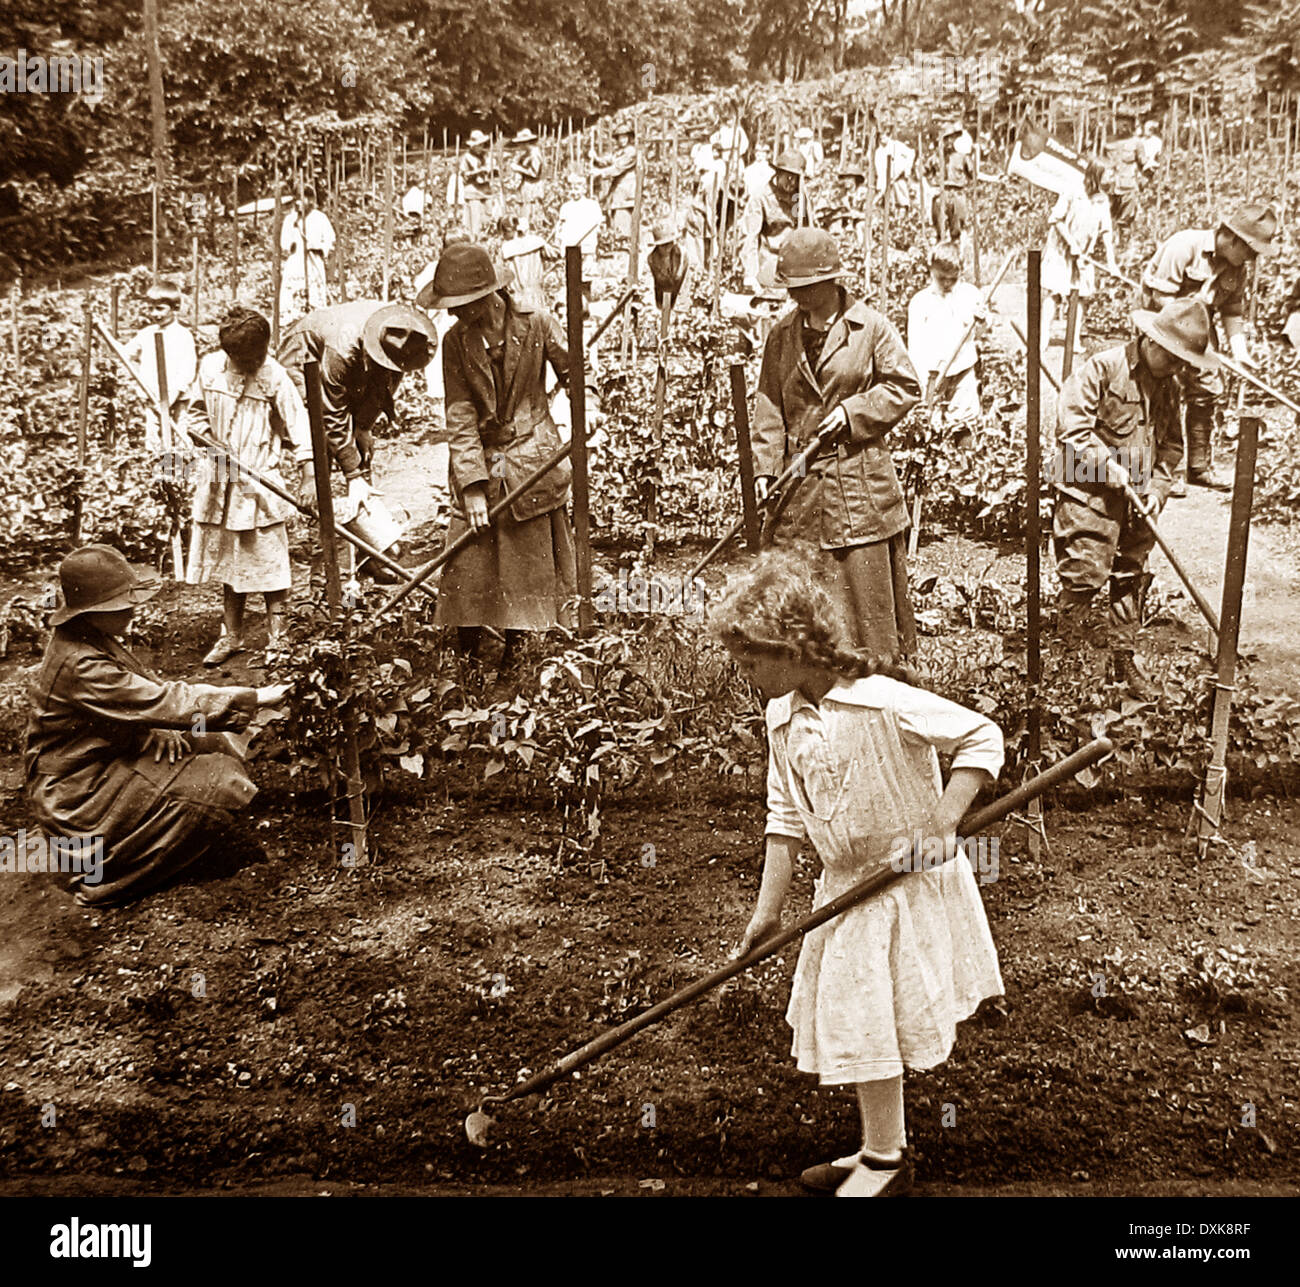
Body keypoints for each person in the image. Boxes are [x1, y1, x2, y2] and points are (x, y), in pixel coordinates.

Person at [718, 548, 1004, 1199]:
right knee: (858, 1014)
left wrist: (943, 817)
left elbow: (983, 737)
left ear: (791, 646)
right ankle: (883, 1151)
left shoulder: (882, 702)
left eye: (750, 659)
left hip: (902, 886)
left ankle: (885, 1161)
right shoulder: (781, 715)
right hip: (845, 887)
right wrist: (768, 910)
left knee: (878, 1015)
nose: (744, 672)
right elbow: (785, 813)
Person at [25, 544, 289, 909]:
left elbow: (136, 699)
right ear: (90, 611)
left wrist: (154, 728)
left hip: (103, 758)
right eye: (120, 603)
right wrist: (257, 697)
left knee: (210, 737)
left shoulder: (88, 638)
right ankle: (106, 877)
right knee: (218, 780)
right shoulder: (80, 664)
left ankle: (169, 832)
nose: (133, 608)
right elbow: (161, 699)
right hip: (78, 792)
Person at [752, 229, 922, 658]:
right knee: (804, 604)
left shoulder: (871, 329)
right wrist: (765, 467)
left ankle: (874, 693)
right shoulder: (782, 334)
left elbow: (904, 386)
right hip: (800, 489)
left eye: (806, 288)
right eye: (793, 289)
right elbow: (769, 403)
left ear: (830, 282)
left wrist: (853, 413)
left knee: (864, 607)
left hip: (859, 486)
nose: (798, 297)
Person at [422, 242, 577, 668]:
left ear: (486, 297)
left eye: (459, 305)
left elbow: (576, 374)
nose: (452, 314)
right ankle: (467, 660)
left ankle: (519, 651)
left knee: (528, 563)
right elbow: (458, 413)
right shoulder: (456, 342)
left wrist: (590, 408)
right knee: (468, 561)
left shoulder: (538, 322)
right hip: (484, 461)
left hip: (533, 457)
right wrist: (472, 486)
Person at [1052, 299, 1218, 694]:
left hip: (1139, 498)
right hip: (1085, 491)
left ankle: (1122, 660)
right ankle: (1066, 666)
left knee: (1130, 575)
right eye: (1175, 358)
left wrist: (1159, 489)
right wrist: (1106, 466)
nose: (1180, 368)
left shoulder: (1169, 387)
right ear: (1151, 342)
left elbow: (1173, 447)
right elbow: (1071, 430)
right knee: (1084, 574)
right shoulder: (1103, 368)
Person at [180, 307, 313, 666]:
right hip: (220, 481)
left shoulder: (275, 376)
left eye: (257, 355)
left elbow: (299, 426)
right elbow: (192, 417)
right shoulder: (210, 369)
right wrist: (208, 440)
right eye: (243, 358)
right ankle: (232, 636)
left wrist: (308, 474)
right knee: (228, 566)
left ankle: (278, 640)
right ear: (228, 353)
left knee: (271, 564)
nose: (251, 363)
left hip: (260, 482)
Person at [1139, 203, 1279, 490]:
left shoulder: (1237, 268)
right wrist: (1192, 340)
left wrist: (1240, 352)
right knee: (1165, 389)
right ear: (1232, 238)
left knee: (1207, 388)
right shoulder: (1183, 245)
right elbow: (1159, 297)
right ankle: (1163, 469)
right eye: (1250, 250)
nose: (1252, 258)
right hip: (1159, 323)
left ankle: (1198, 468)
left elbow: (1232, 312)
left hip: (1199, 328)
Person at [278, 299, 436, 499]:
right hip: (303, 355)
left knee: (357, 436)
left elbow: (385, 386)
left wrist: (364, 426)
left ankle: (359, 495)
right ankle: (320, 503)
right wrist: (352, 473)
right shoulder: (343, 348)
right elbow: (332, 410)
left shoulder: (405, 337)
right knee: (317, 427)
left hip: (342, 352)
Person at [906, 243, 986, 444]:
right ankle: (935, 469)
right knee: (929, 425)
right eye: (942, 279)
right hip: (933, 376)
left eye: (953, 279)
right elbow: (914, 347)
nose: (948, 284)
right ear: (931, 269)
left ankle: (966, 468)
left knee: (965, 423)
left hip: (963, 369)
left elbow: (981, 333)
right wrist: (922, 383)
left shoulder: (971, 295)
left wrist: (982, 320)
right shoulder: (920, 302)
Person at [1040, 160, 1117, 355]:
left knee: (1080, 297)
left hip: (1083, 255)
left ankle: (1072, 341)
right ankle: (1042, 338)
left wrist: (1112, 263)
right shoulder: (1073, 190)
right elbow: (1056, 219)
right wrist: (1072, 244)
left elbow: (1106, 232)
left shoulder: (1102, 200)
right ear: (1096, 175)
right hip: (1061, 251)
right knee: (1055, 294)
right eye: (1109, 174)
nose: (1112, 178)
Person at [122, 277, 197, 452]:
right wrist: (136, 375)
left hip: (178, 397)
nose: (155, 314)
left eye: (160, 309)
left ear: (175, 308)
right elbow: (126, 354)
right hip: (152, 395)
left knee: (179, 436)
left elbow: (188, 369)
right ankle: (155, 469)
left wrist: (173, 394)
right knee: (153, 437)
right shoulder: (146, 334)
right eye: (151, 308)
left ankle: (180, 471)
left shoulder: (183, 336)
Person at [740, 150, 816, 294]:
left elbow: (806, 231)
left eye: (796, 179)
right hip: (770, 263)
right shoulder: (761, 197)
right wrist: (751, 275)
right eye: (788, 177)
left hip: (795, 265)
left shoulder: (798, 198)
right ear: (778, 173)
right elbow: (750, 237)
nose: (792, 183)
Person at [278, 189, 335, 322]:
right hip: (295, 261)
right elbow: (284, 242)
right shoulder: (290, 219)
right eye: (297, 199)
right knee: (294, 291)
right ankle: (292, 317)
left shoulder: (320, 218)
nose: (299, 203)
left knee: (315, 293)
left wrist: (316, 246)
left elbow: (330, 240)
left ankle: (316, 316)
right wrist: (290, 242)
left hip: (313, 260)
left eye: (302, 199)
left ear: (311, 201)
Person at [552, 172, 604, 308]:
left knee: (586, 278)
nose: (574, 192)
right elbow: (560, 227)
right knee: (572, 278)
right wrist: (558, 241)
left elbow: (597, 224)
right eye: (572, 188)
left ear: (584, 189)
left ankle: (586, 307)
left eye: (577, 188)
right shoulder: (566, 207)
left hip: (586, 247)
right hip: (570, 247)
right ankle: (575, 307)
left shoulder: (591, 205)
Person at [592, 123, 638, 237]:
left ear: (629, 137)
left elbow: (618, 168)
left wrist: (600, 172)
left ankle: (624, 243)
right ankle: (619, 240)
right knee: (614, 216)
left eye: (624, 137)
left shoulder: (631, 152)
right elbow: (609, 161)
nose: (622, 140)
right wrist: (596, 158)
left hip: (627, 191)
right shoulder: (619, 152)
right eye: (619, 137)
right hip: (618, 190)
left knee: (621, 219)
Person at [498, 214, 548, 311]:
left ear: (509, 230)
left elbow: (501, 274)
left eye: (504, 233)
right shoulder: (536, 242)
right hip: (536, 296)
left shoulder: (506, 248)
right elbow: (555, 254)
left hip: (518, 298)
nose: (503, 236)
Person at [456, 130, 495, 238]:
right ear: (472, 146)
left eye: (482, 145)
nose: (480, 147)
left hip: (486, 190)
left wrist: (491, 170)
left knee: (489, 214)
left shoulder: (486, 155)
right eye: (478, 145)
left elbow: (491, 168)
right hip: (473, 190)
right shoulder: (466, 157)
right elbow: (464, 175)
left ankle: (487, 237)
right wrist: (477, 172)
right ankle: (475, 238)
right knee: (475, 218)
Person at [1106, 126, 1141, 243]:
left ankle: (1123, 244)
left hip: (1127, 186)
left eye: (1126, 123)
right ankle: (1106, 243)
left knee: (1125, 219)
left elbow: (1143, 163)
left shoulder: (1137, 143)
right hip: (1110, 184)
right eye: (1120, 122)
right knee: (1107, 216)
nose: (1122, 126)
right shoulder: (1109, 140)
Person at [645, 218, 689, 310]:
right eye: (663, 245)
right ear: (657, 245)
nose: (667, 248)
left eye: (670, 243)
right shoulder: (651, 260)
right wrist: (652, 309)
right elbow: (648, 287)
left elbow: (685, 285)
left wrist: (680, 308)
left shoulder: (682, 255)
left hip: (678, 299)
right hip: (659, 301)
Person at [509, 128, 545, 224]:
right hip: (526, 187)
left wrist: (518, 168)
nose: (519, 146)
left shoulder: (535, 154)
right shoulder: (526, 154)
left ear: (525, 143)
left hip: (532, 187)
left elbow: (535, 173)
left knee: (530, 212)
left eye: (520, 143)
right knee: (524, 211)